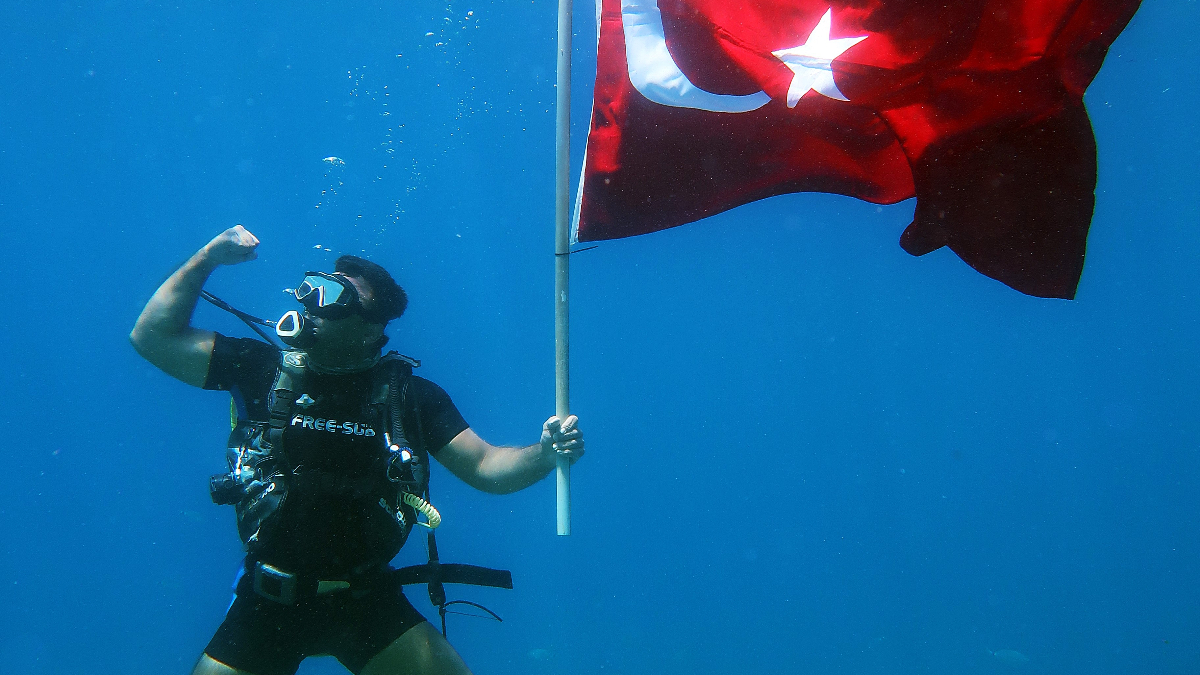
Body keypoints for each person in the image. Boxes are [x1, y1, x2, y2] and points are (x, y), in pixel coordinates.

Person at [129, 224, 583, 675]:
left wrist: (545, 453)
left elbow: (486, 467)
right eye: (315, 289)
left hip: (365, 598)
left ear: (372, 327)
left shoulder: (411, 397)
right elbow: (152, 337)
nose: (312, 304)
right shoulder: (258, 366)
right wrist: (207, 257)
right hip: (268, 597)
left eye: (336, 297)